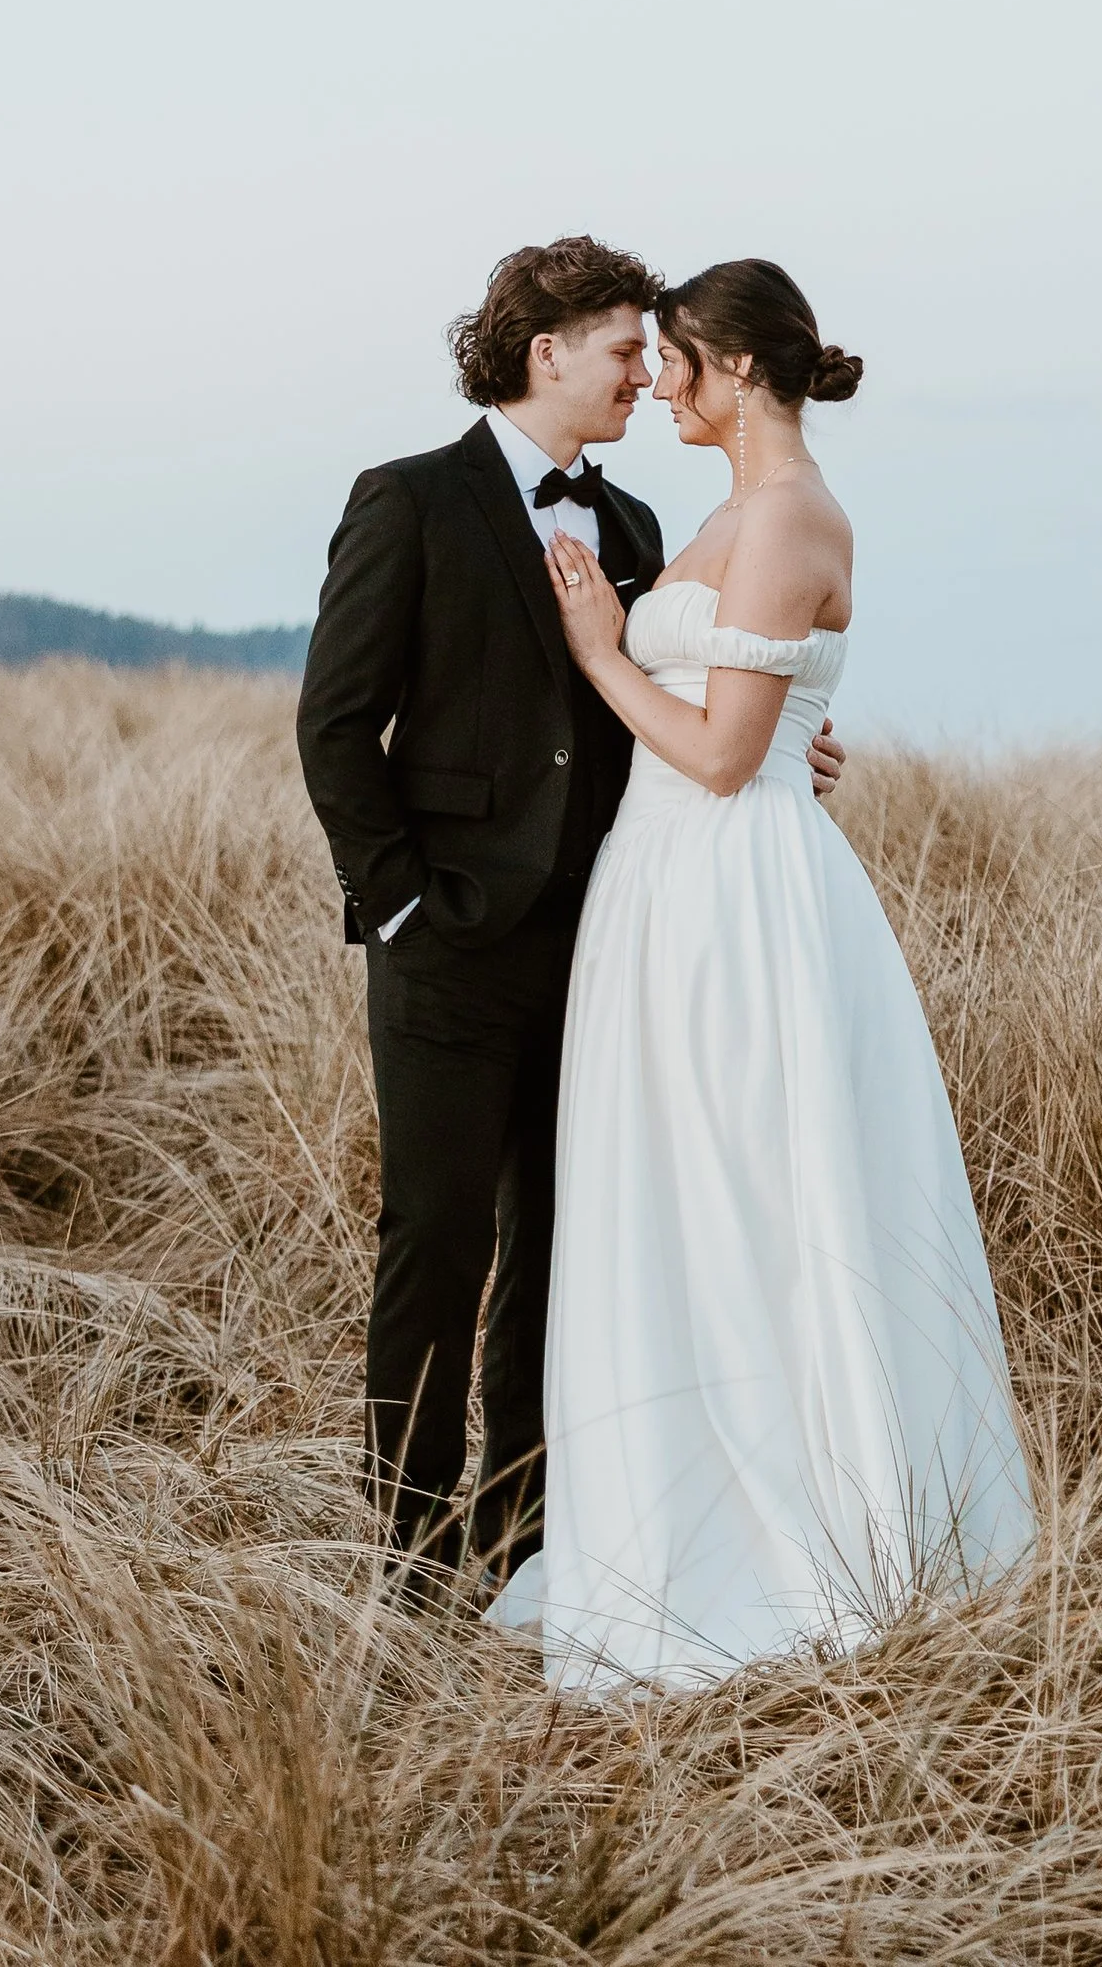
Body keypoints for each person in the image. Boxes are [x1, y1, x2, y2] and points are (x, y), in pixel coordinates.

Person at [488, 257, 1035, 1691]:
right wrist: (772, 724)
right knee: (672, 1189)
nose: (655, 381)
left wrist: (606, 651)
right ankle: (672, 1501)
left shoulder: (791, 516)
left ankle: (782, 1538)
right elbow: (757, 713)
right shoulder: (731, 510)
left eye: (670, 358)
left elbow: (729, 753)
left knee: (749, 1191)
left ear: (733, 365)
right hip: (665, 883)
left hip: (734, 895)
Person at [295, 236, 846, 1581]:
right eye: (620, 350)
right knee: (434, 1244)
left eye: (655, 356)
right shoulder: (411, 501)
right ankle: (411, 1557)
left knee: (560, 1247)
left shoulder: (644, 527)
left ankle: (528, 1542)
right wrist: (404, 906)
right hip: (449, 947)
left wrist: (774, 743)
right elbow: (333, 726)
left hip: (608, 943)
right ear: (545, 352)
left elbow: (656, 718)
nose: (640, 376)